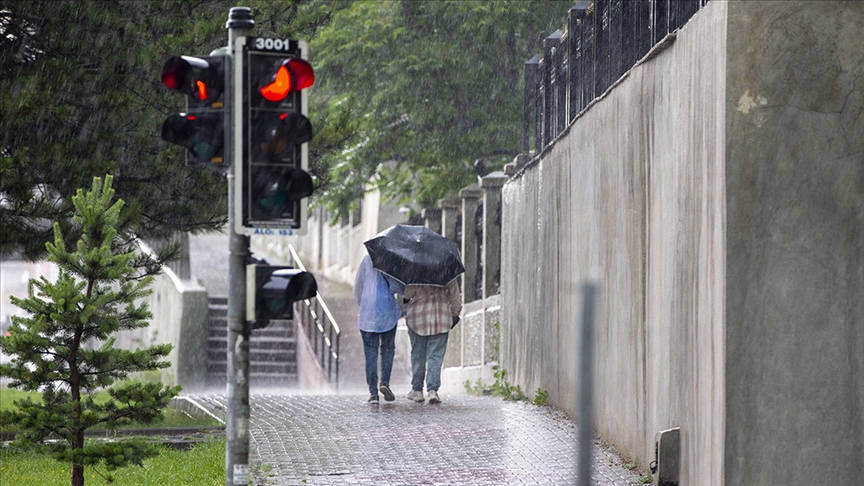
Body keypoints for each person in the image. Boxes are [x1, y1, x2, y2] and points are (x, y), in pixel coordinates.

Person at [403, 278, 462, 404]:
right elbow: (454, 294)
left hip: (418, 317)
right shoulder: (446, 269)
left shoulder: (416, 269)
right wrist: (455, 313)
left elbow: (407, 293)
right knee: (436, 356)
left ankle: (417, 390)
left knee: (418, 354)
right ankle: (432, 390)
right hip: (441, 317)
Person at [354, 254, 402, 404]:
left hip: (367, 313)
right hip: (387, 311)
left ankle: (373, 393)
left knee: (371, 354)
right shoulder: (392, 260)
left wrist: (364, 305)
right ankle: (384, 383)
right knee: (387, 349)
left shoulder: (366, 260)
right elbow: (397, 287)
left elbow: (357, 287)